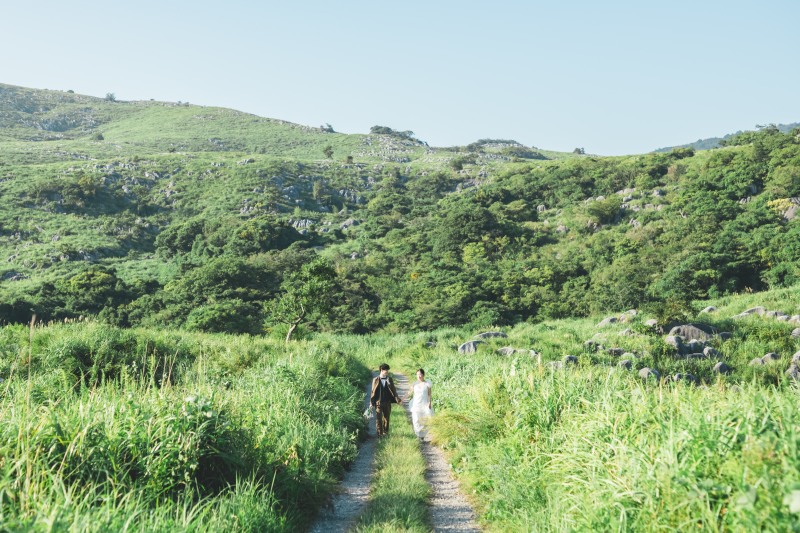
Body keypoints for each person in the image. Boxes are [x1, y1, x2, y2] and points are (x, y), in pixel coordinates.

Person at [370, 363, 402, 437]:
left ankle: (385, 432)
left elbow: (394, 390)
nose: (387, 371)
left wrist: (397, 399)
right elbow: (372, 392)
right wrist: (371, 403)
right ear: (381, 370)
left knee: (387, 418)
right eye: (386, 370)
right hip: (378, 402)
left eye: (388, 370)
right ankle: (379, 434)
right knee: (378, 419)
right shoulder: (375, 380)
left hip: (387, 402)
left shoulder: (389, 379)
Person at [404, 368, 433, 440]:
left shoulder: (427, 383)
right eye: (417, 374)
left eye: (420, 374)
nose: (419, 376)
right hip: (416, 404)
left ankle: (422, 436)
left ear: (423, 375)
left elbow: (429, 394)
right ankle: (418, 434)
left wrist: (429, 403)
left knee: (425, 420)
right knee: (416, 419)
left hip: (425, 404)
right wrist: (401, 399)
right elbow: (409, 393)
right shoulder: (414, 384)